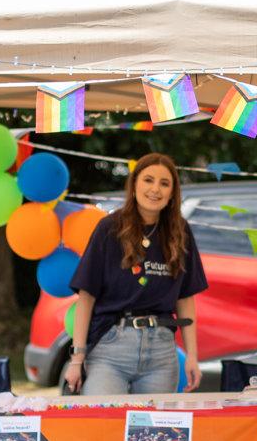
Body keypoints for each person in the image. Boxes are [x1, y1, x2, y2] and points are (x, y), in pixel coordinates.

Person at [65, 153, 208, 395]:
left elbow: (185, 299)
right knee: (104, 426)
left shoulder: (180, 231)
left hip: (162, 351)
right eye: (148, 180)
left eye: (165, 183)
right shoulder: (109, 228)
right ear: (134, 185)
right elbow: (86, 298)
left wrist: (192, 357)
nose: (156, 189)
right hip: (111, 347)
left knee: (154, 431)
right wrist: (77, 358)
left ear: (173, 193)